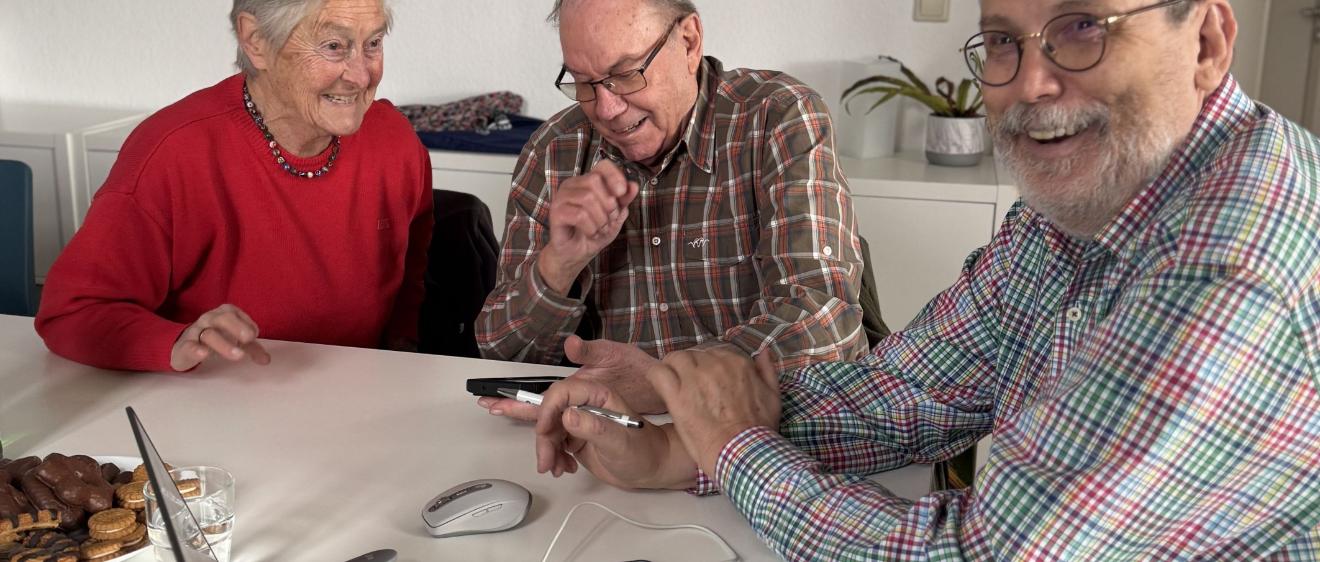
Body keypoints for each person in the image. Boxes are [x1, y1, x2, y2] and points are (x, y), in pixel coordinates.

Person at [527, 0, 1320, 559]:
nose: (1032, 83)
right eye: (1004, 42)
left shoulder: (1230, 260)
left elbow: (982, 555)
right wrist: (677, 441)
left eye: (1085, 26)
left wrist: (731, 446)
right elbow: (912, 392)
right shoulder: (1080, 205)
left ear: (1209, 41)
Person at [474, 0, 868, 412]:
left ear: (689, 41)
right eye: (584, 82)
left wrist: (664, 384)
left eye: (626, 74)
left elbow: (824, 323)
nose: (606, 109)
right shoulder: (553, 152)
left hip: (765, 430)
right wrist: (560, 265)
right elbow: (500, 356)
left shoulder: (778, 117)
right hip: (609, 434)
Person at [35, 0, 433, 373]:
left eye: (373, 44)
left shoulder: (394, 140)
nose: (362, 75)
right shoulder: (173, 152)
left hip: (360, 399)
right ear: (256, 42)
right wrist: (174, 341)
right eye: (333, 46)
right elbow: (72, 312)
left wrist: (401, 358)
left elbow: (413, 282)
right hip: (219, 402)